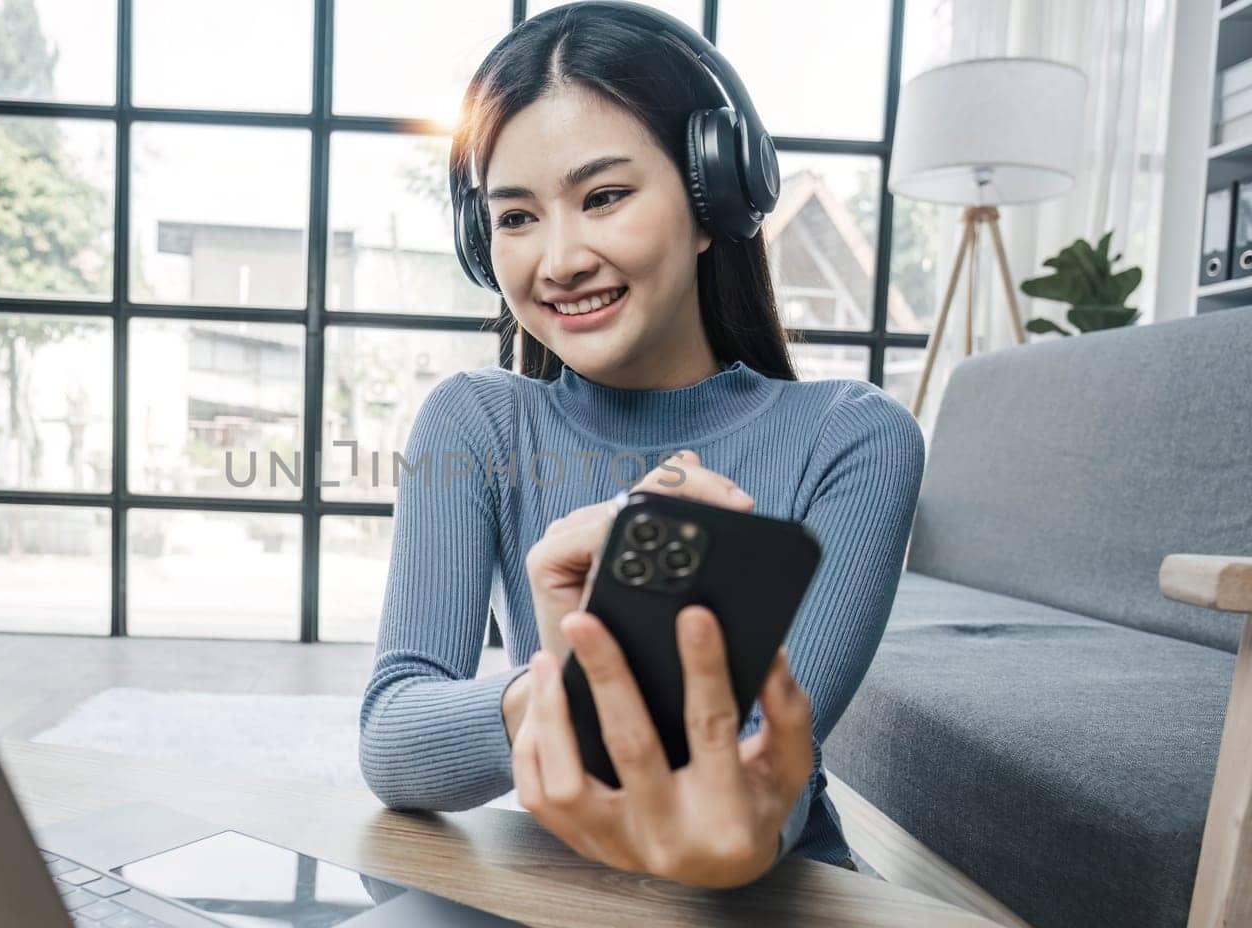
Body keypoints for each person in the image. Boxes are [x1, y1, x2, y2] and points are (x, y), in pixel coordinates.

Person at [358, 1, 925, 889]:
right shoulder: (476, 422)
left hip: (775, 897)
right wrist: (565, 690)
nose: (559, 260)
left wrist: (588, 706)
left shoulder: (853, 439)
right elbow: (393, 742)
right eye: (515, 217)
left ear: (713, 203)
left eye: (605, 197)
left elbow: (765, 787)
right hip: (568, 890)